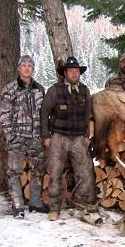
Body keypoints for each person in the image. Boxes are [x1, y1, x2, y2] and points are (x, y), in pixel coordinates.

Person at [40, 56, 96, 221]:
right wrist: (46, 136)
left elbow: (87, 115)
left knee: (85, 172)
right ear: (65, 73)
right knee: (55, 173)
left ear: (80, 73)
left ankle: (80, 204)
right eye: (71, 71)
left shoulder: (85, 91)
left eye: (77, 71)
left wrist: (86, 136)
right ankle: (54, 208)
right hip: (59, 137)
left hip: (79, 138)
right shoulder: (54, 90)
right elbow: (44, 113)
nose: (74, 74)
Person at [0, 55, 48, 218]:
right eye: (24, 65)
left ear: (33, 68)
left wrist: (44, 134)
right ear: (19, 68)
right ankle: (18, 205)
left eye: (30, 66)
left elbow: (44, 114)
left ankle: (35, 202)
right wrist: (9, 135)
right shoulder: (10, 89)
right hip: (18, 137)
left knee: (38, 170)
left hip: (36, 137)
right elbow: (4, 114)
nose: (27, 68)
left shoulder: (39, 89)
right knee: (14, 172)